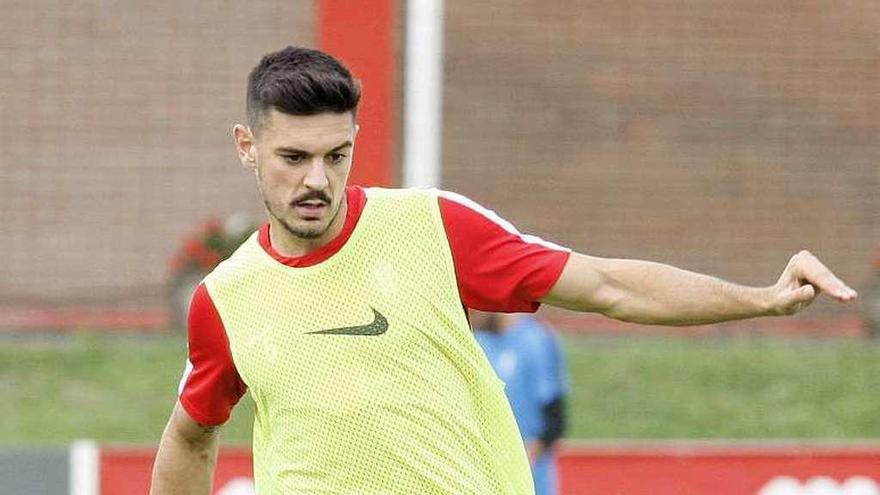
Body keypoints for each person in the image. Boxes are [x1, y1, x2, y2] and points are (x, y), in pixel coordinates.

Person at [150, 46, 858, 495]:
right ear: (248, 146)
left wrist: (762, 299)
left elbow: (608, 286)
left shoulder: (432, 226)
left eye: (336, 156)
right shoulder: (226, 297)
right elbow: (190, 434)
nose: (318, 180)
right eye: (293, 157)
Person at [473, 313, 568, 495]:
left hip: (530, 475)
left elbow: (555, 417)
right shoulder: (478, 342)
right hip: (487, 473)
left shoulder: (536, 340)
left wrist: (526, 455)